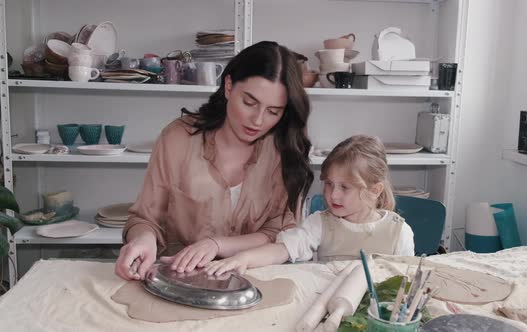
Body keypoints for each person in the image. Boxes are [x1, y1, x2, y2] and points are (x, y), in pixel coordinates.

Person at [115, 41, 314, 280]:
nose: (258, 121)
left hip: (254, 278)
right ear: (228, 86)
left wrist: (217, 245)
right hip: (180, 277)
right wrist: (144, 239)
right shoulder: (179, 139)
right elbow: (145, 219)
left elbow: (277, 231)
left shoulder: (283, 149)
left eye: (273, 111)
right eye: (249, 103)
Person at [204, 135, 415, 276]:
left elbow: (406, 283)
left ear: (375, 190)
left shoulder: (399, 232)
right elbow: (282, 250)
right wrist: (244, 258)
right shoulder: (320, 224)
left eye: (345, 187)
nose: (333, 194)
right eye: (329, 184)